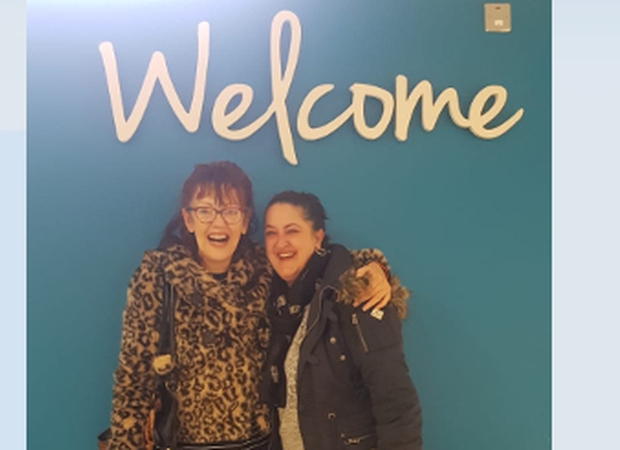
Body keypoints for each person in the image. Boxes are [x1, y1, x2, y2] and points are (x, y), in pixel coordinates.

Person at [107, 161, 395, 450]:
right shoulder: (158, 276)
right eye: (205, 210)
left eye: (230, 211)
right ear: (188, 219)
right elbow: (133, 384)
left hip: (261, 444)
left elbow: (322, 264)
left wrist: (373, 268)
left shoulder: (264, 268)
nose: (218, 223)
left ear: (245, 221)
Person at [261, 191, 422, 450]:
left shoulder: (358, 297)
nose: (281, 243)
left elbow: (398, 406)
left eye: (291, 231)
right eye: (271, 232)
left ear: (317, 238)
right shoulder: (275, 305)